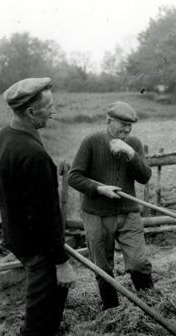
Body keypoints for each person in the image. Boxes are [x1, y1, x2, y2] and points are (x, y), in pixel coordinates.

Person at [0, 78, 76, 336]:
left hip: (17, 237)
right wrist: (61, 262)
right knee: (42, 303)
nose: (53, 112)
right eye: (48, 107)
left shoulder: (2, 138)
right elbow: (46, 217)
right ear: (30, 112)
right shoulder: (33, 156)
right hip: (38, 246)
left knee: (52, 296)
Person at [68, 101, 153, 310]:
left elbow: (144, 177)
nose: (126, 129)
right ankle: (112, 311)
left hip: (128, 213)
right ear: (108, 121)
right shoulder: (91, 142)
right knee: (104, 269)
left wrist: (131, 153)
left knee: (138, 263)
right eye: (122, 124)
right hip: (97, 215)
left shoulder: (133, 143)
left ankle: (152, 304)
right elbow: (74, 177)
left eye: (130, 125)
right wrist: (99, 189)